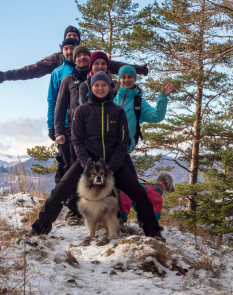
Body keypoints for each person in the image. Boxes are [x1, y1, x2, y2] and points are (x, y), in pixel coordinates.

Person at [31, 71, 161, 238]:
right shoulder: (82, 111)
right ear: (91, 87)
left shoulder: (118, 112)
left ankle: (153, 233)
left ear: (109, 87)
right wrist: (87, 165)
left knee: (141, 195)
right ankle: (38, 230)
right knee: (58, 193)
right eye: (97, 85)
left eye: (104, 85)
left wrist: (111, 167)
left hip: (112, 165)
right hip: (87, 165)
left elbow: (123, 143)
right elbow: (77, 141)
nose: (100, 88)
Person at [113, 65, 175, 223]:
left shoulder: (138, 102)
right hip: (106, 151)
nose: (126, 80)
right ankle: (114, 217)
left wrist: (162, 97)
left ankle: (143, 219)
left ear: (135, 79)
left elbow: (156, 117)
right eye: (123, 77)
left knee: (132, 188)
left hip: (124, 152)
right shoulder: (111, 97)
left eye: (130, 77)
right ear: (119, 79)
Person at [0, 25, 148, 83]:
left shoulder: (89, 58)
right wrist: (7, 75)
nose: (71, 38)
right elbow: (33, 69)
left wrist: (139, 69)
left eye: (75, 36)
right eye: (69, 36)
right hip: (66, 110)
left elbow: (115, 66)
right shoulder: (57, 59)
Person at [54, 45, 92, 225]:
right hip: (72, 132)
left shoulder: (97, 78)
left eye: (86, 55)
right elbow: (59, 108)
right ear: (74, 59)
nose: (82, 58)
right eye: (79, 55)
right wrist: (58, 131)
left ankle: (92, 211)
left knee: (93, 169)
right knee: (72, 171)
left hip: (94, 133)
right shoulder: (67, 80)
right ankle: (73, 212)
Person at [47, 37, 79, 184]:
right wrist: (51, 126)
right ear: (62, 50)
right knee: (66, 164)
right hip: (64, 125)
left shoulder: (86, 69)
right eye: (66, 48)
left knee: (81, 163)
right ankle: (63, 200)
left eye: (72, 48)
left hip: (84, 124)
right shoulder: (57, 73)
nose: (69, 51)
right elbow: (52, 100)